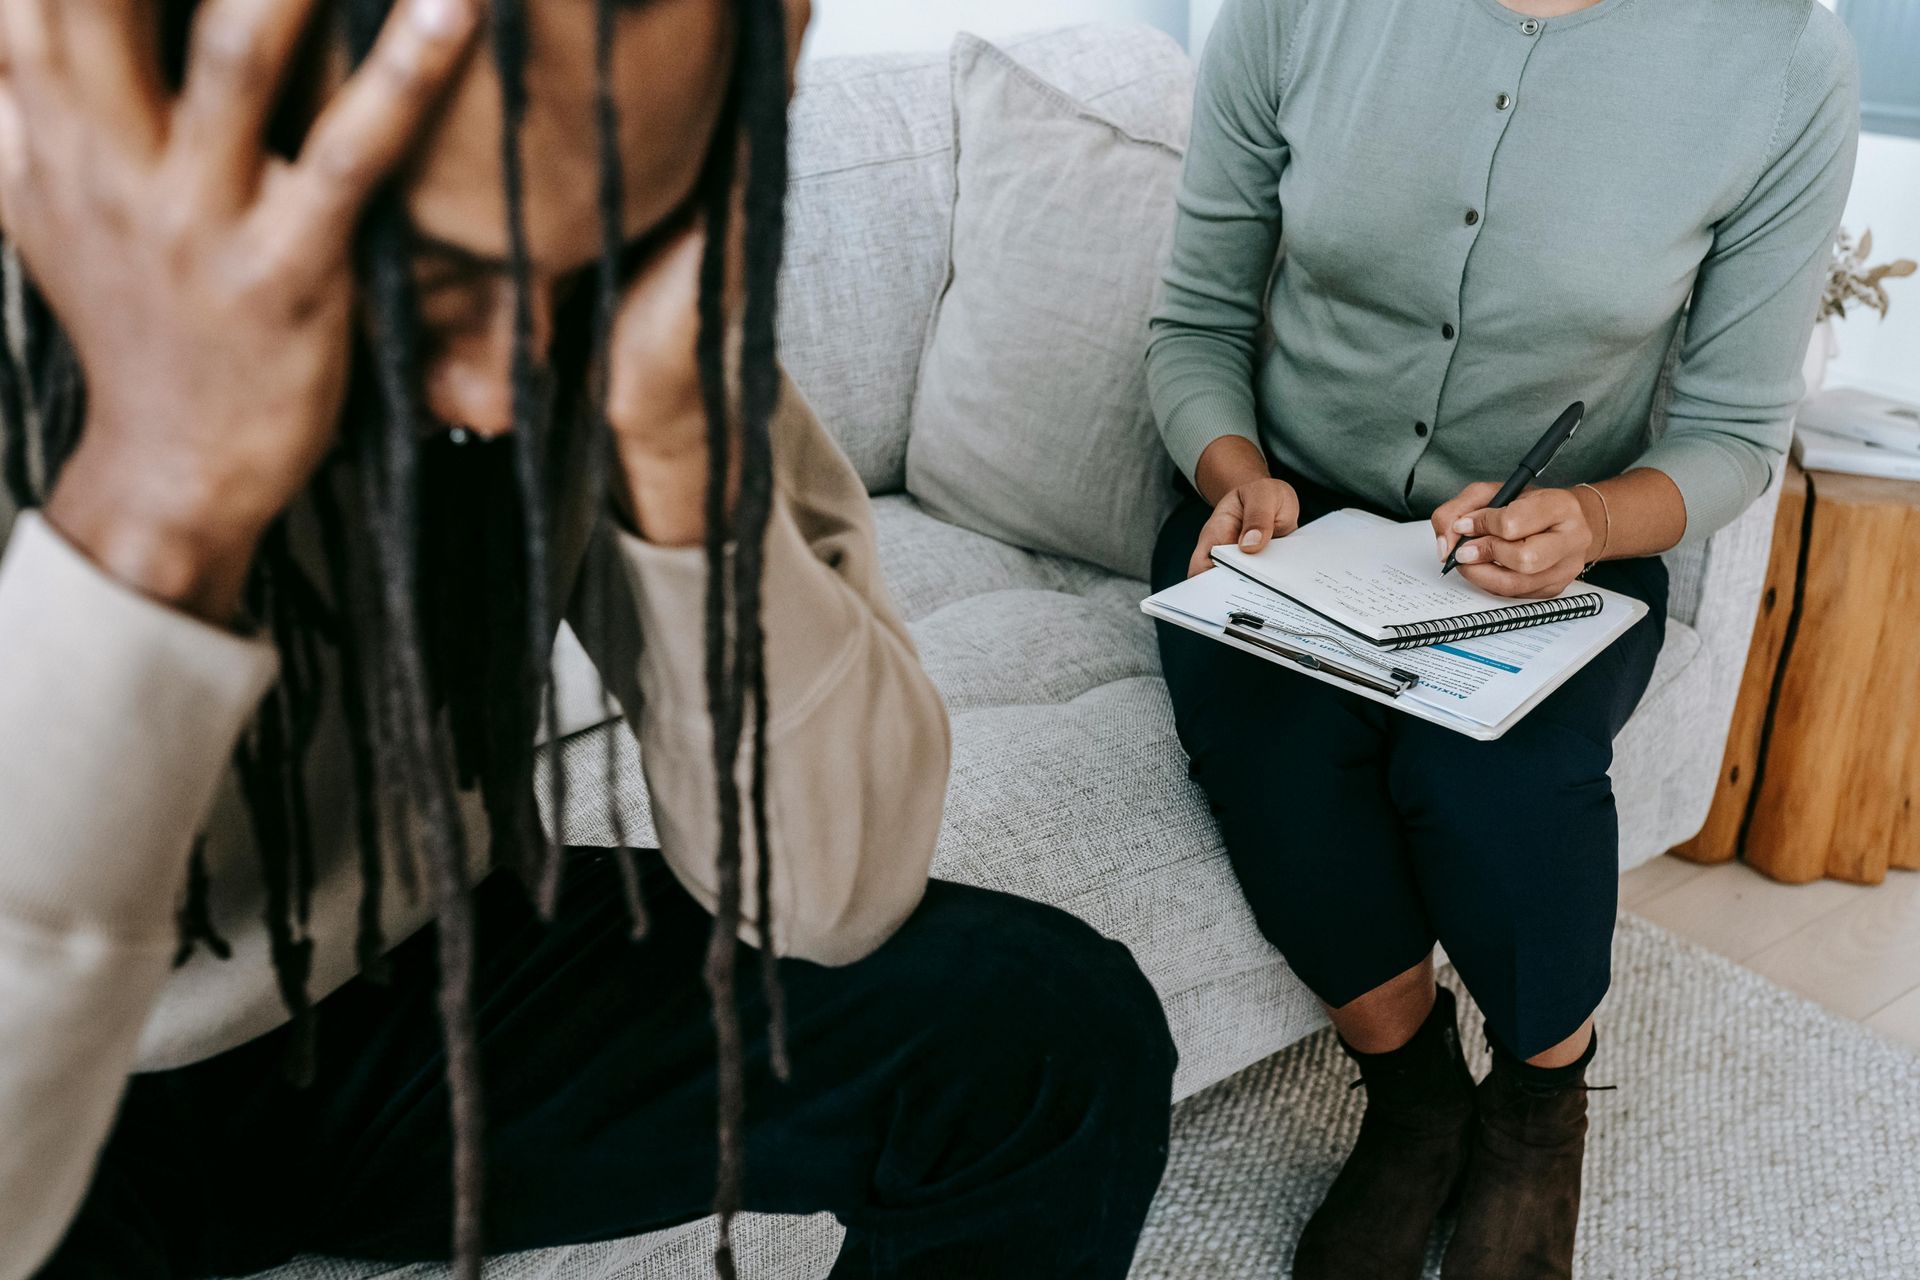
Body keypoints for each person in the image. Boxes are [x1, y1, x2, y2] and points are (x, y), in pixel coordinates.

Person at [0, 2, 1178, 1278]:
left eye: (576, 272)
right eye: (446, 281)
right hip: (62, 1068)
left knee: (1048, 1034)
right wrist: (152, 508)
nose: (505, 390)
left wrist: (674, 436)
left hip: (402, 985)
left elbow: (832, 895)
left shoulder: (594, 294)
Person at [1146, 0, 1857, 1275]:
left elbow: (1737, 429)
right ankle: (1413, 1098)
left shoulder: (1777, 56)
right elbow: (1194, 322)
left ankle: (1538, 1114)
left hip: (1569, 549)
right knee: (1277, 756)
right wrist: (1235, 473)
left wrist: (1587, 515)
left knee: (1495, 777)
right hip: (1286, 523)